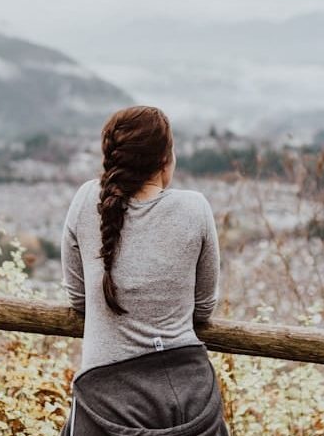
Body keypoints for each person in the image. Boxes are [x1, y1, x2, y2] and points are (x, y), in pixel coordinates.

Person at [59, 105, 229, 435]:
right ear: (165, 160)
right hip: (189, 395)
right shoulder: (195, 209)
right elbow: (204, 307)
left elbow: (79, 299)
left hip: (106, 396)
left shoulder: (85, 201)